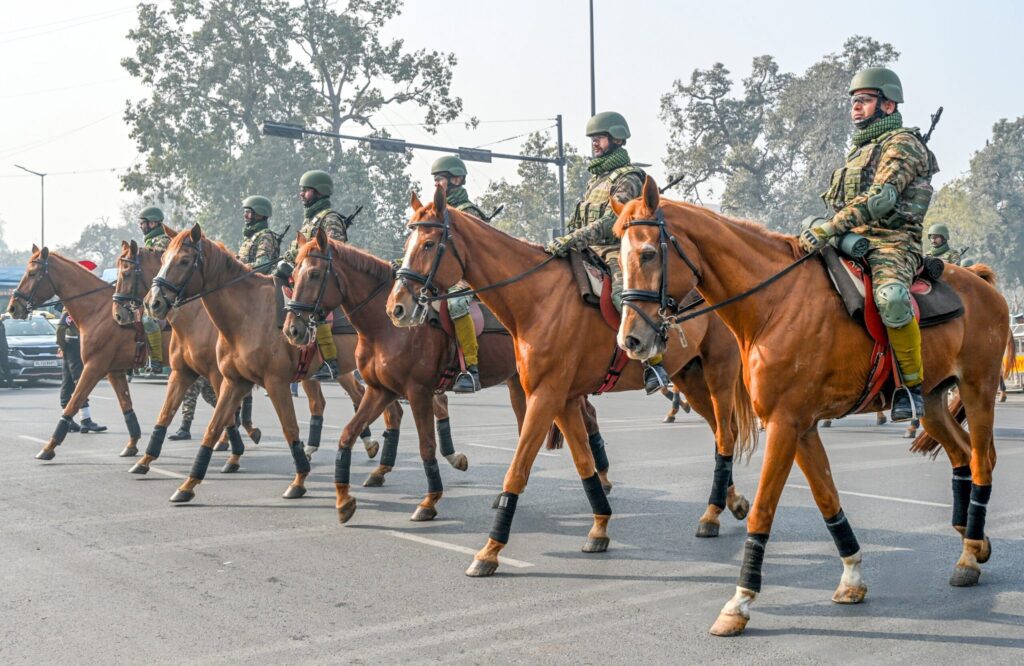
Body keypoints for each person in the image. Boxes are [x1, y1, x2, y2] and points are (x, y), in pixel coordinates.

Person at [799, 68, 938, 422]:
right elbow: (838, 204)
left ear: (888, 105)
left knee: (891, 299)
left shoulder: (903, 144)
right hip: (850, 238)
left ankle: (910, 387)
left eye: (864, 100)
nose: (856, 108)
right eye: (854, 102)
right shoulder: (859, 151)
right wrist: (824, 227)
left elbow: (882, 199)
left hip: (892, 243)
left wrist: (830, 227)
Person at [545, 111, 670, 394]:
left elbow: (612, 222)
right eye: (593, 139)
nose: (595, 144)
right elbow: (582, 219)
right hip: (587, 249)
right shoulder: (596, 179)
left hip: (616, 249)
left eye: (599, 138)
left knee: (622, 294)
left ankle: (654, 364)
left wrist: (573, 238)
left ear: (616, 139)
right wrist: (569, 237)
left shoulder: (628, 177)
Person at [276, 171, 351, 381]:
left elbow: (336, 248)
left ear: (319, 191)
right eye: (302, 190)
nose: (302, 194)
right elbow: (296, 249)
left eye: (306, 190)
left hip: (324, 277)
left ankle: (330, 362)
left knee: (317, 312)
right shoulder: (309, 221)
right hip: (303, 274)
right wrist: (285, 259)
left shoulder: (330, 218)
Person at [431, 155, 488, 392]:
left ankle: (470, 370)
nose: (436, 185)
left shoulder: (467, 212)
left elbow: (479, 254)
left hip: (466, 276)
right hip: (440, 275)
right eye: (434, 180)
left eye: (440, 179)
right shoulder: (435, 212)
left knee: (455, 304)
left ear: (456, 179)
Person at [56, 302, 106, 433]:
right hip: (74, 345)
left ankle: (67, 420)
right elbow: (61, 328)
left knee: (67, 383)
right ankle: (85, 420)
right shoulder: (71, 307)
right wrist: (62, 346)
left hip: (71, 344)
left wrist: (63, 346)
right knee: (80, 382)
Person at [139, 206, 170, 373]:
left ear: (152, 223)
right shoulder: (149, 242)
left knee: (148, 320)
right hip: (148, 290)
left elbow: (157, 263)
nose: (140, 226)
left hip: (163, 292)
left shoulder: (163, 241)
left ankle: (157, 360)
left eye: (142, 223)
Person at [0, 315, 15, 388]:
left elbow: (3, 337)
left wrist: (6, 346)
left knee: (6, 366)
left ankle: (10, 383)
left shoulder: (1, 324)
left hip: (2, 349)